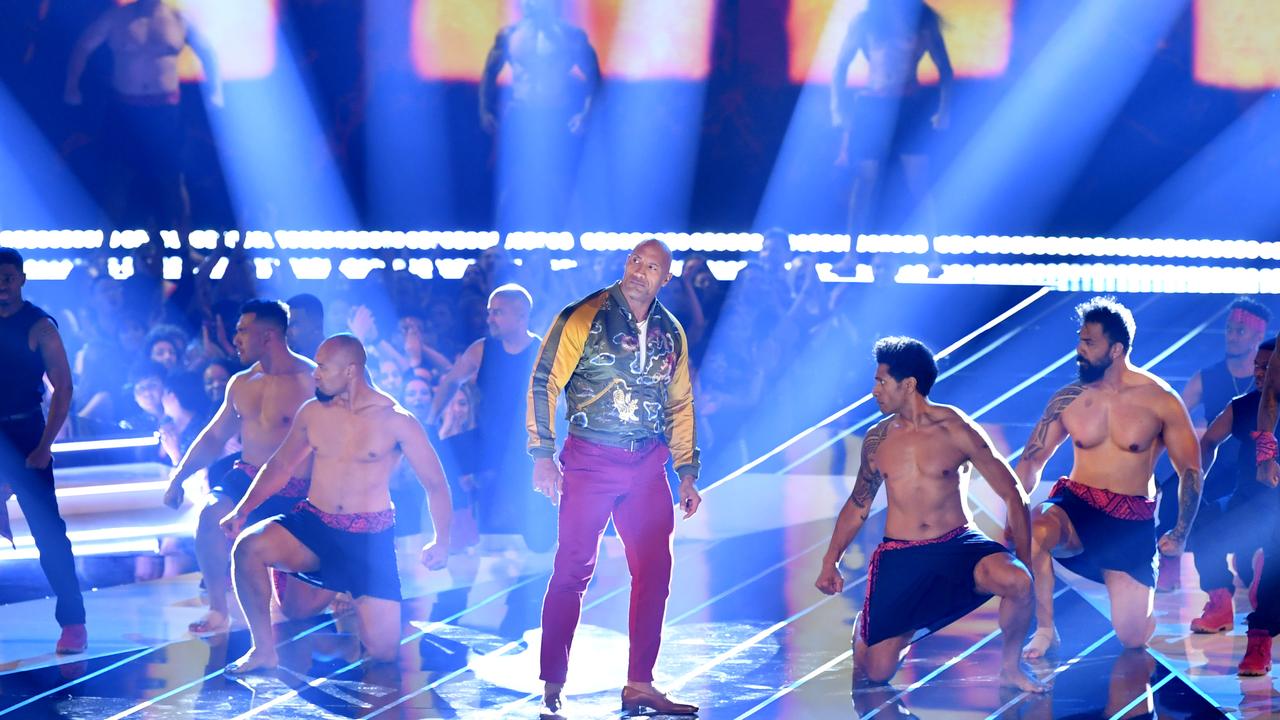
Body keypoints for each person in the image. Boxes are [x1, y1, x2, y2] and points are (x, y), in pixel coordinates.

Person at [528, 239, 702, 716]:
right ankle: (552, 680)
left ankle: (639, 683)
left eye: (651, 268)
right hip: (590, 460)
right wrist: (542, 454)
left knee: (655, 572)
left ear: (665, 278)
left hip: (648, 465)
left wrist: (686, 471)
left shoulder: (672, 332)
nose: (638, 272)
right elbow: (546, 380)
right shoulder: (584, 316)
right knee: (573, 569)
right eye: (634, 261)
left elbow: (680, 403)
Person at [815, 337, 1043, 691]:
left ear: (908, 385)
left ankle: (1010, 667)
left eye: (881, 382)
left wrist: (1026, 561)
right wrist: (831, 561)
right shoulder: (878, 441)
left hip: (958, 546)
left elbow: (1013, 492)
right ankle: (878, 626)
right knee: (875, 672)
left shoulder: (956, 428)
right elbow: (859, 504)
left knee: (1018, 582)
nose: (874, 391)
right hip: (901, 556)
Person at [218, 334, 452, 672]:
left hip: (368, 540)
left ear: (350, 372)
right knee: (248, 547)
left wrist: (441, 540)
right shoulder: (312, 413)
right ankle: (263, 650)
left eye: (323, 368)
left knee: (384, 652)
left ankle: (351, 599)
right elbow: (280, 466)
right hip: (315, 524)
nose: (314, 374)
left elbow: (435, 483)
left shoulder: (396, 420)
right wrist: (241, 509)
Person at [1017, 297, 1202, 658]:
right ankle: (1044, 629)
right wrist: (1014, 512)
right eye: (1080, 340)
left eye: (1089, 343)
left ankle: (1139, 588)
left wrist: (1180, 533)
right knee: (1037, 528)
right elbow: (1030, 462)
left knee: (1133, 638)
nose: (1079, 350)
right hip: (1075, 507)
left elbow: (1190, 472)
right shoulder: (1068, 398)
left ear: (1116, 349)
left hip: (1128, 521)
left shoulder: (1160, 400)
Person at [162, 300, 326, 634]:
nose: (235, 339)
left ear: (268, 336)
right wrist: (179, 476)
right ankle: (218, 609)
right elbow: (214, 437)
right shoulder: (240, 383)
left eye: (242, 331)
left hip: (298, 490)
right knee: (210, 515)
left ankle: (334, 582)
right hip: (247, 477)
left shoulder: (312, 379)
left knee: (296, 610)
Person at [64, 0, 223, 233]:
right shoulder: (117, 17)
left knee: (172, 180)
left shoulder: (180, 19)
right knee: (117, 181)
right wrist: (72, 86)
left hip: (165, 112)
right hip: (125, 110)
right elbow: (83, 46)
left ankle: (183, 247)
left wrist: (215, 92)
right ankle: (103, 250)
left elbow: (207, 51)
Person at [0, 248, 87, 654]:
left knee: (48, 534)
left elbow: (63, 387)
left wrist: (44, 446)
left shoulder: (40, 326)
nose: (2, 285)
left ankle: (73, 621)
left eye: (8, 277)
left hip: (25, 432)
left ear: (20, 279)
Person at [1157, 297, 1270, 591]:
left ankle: (1250, 562)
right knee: (1176, 487)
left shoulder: (1272, 383)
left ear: (1259, 335)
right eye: (1229, 329)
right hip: (1214, 465)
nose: (1232, 336)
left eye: (1240, 331)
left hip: (1251, 467)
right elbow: (1173, 417)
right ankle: (1171, 560)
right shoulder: (1205, 378)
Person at [430, 283, 555, 550]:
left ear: (520, 316)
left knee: (538, 542)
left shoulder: (543, 353)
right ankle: (461, 522)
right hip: (487, 441)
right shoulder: (481, 349)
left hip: (526, 449)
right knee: (439, 454)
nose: (489, 318)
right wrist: (431, 420)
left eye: (497, 312)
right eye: (490, 312)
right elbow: (451, 381)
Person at [831, 0, 951, 264]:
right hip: (873, 104)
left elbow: (945, 70)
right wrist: (839, 111)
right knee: (864, 182)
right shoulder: (867, 21)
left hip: (908, 105)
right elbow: (840, 66)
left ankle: (934, 255)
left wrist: (944, 111)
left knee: (919, 182)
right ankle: (851, 255)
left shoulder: (924, 22)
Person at [480, 0, 601, 230]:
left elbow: (595, 80)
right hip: (520, 113)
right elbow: (489, 74)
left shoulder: (571, 36)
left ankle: (578, 248)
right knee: (512, 181)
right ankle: (499, 244)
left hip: (557, 115)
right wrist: (485, 110)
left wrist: (585, 115)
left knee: (564, 181)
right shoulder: (510, 35)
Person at [1189, 339, 1278, 635]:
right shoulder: (1243, 406)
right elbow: (1209, 442)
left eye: (1268, 366)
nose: (1260, 372)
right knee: (1202, 523)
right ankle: (1219, 602)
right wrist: (1198, 479)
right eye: (1257, 366)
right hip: (1246, 501)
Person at [286, 293, 325, 359]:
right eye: (285, 326)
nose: (286, 332)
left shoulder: (337, 360)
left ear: (316, 324)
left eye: (293, 325)